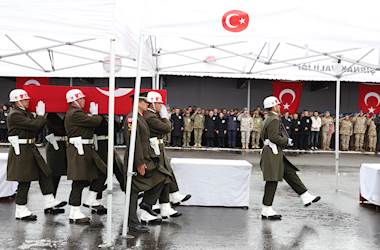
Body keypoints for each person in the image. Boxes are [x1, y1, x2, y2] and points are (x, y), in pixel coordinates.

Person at [7, 89, 66, 221]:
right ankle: (21, 210)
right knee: (24, 180)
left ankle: (49, 200)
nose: (28, 101)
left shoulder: (24, 113)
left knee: (44, 173)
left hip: (30, 148)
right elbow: (34, 125)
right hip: (21, 150)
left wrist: (39, 118)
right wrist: (40, 116)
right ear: (17, 101)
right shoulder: (15, 115)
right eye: (25, 100)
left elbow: (37, 128)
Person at [260, 96, 320, 220]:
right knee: (272, 180)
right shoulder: (274, 119)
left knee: (290, 173)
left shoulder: (269, 118)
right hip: (272, 152)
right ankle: (266, 209)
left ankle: (305, 195)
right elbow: (274, 138)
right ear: (273, 106)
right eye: (278, 105)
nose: (280, 106)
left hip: (273, 152)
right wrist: (287, 141)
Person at [123, 92, 174, 232]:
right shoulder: (131, 119)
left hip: (144, 158)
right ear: (138, 103)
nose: (147, 104)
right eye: (144, 102)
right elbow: (134, 142)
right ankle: (132, 222)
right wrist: (139, 162)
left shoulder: (140, 117)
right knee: (132, 191)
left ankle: (145, 205)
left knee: (162, 176)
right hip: (136, 159)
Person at [142, 92, 191, 223]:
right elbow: (167, 128)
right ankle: (149, 207)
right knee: (162, 176)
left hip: (158, 148)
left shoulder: (153, 115)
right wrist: (165, 118)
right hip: (154, 150)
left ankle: (166, 206)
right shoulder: (150, 117)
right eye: (158, 103)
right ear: (152, 103)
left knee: (165, 175)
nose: (160, 106)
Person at [65, 89, 107, 224]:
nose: (84, 101)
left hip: (86, 149)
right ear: (74, 101)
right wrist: (96, 115)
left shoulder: (77, 113)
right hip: (79, 150)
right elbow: (95, 122)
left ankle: (90, 198)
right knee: (79, 180)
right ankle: (74, 212)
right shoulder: (75, 113)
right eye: (81, 99)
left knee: (102, 171)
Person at [90, 115, 126, 213]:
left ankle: (128, 190)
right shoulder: (98, 117)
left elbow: (116, 129)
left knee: (119, 169)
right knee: (102, 171)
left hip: (108, 145)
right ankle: (94, 200)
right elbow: (104, 128)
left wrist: (117, 119)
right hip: (101, 145)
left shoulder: (106, 117)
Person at [45, 113, 67, 197]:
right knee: (54, 175)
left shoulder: (67, 115)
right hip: (54, 146)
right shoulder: (51, 115)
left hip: (64, 146)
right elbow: (59, 130)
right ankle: (51, 199)